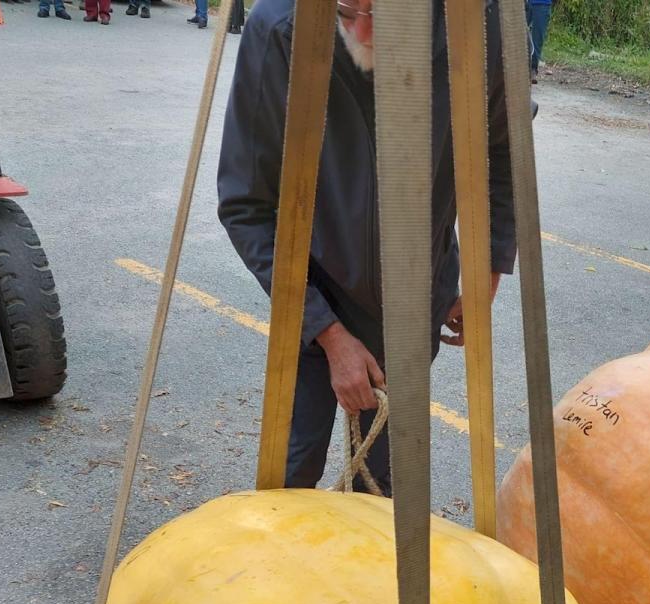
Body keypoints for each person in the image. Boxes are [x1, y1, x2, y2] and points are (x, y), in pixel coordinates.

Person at [218, 0, 515, 496]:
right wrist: (327, 332)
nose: (365, 32)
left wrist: (485, 273)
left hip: (417, 291)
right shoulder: (281, 29)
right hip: (312, 287)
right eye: (345, 10)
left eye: (388, 14)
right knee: (292, 470)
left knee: (382, 484)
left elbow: (500, 155)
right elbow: (247, 204)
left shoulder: (479, 26)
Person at [526, 0, 552, 85]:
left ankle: (532, 69)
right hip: (525, 3)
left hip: (542, 4)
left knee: (537, 39)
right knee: (515, 33)